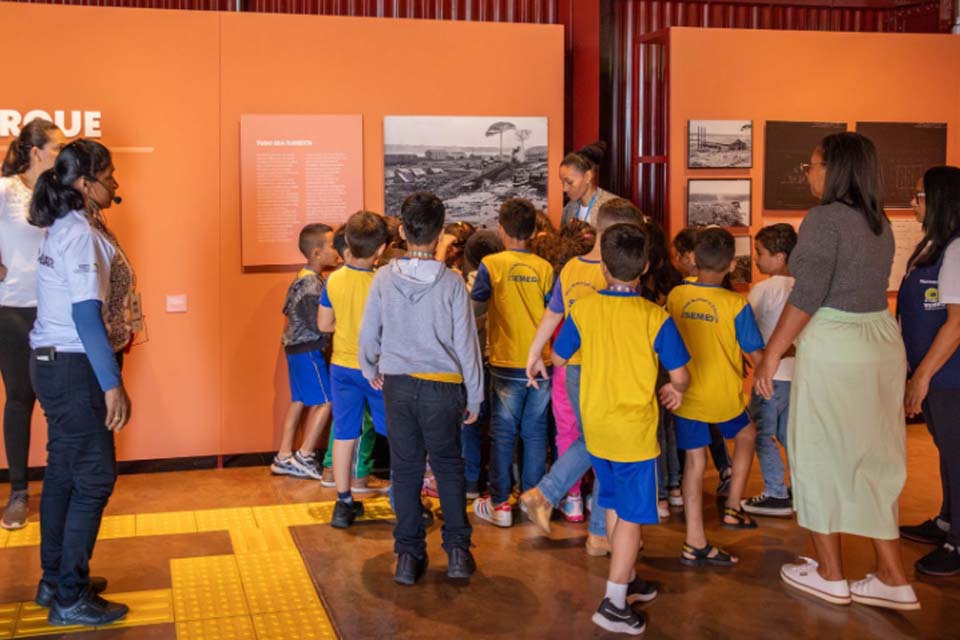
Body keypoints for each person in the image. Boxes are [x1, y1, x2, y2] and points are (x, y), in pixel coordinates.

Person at [755, 132, 919, 610]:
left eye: (812, 164)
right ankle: (892, 576)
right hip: (881, 342)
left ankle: (830, 572)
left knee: (817, 452)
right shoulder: (879, 221)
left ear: (834, 168)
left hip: (837, 344)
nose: (808, 173)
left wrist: (770, 354)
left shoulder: (825, 219)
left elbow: (807, 295)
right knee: (876, 458)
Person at [544, 223, 690, 635]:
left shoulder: (584, 308)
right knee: (631, 515)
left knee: (610, 502)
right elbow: (680, 374)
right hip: (634, 435)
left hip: (598, 427)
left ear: (603, 266)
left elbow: (558, 357)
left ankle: (625, 580)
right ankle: (612, 603)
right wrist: (675, 390)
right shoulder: (654, 317)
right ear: (645, 266)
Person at [27, 139, 131, 626]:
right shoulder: (79, 234)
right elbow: (86, 313)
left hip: (52, 361)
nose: (115, 184)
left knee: (66, 475)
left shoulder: (65, 227)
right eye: (108, 175)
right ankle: (71, 596)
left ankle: (56, 580)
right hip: (75, 365)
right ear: (86, 183)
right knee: (93, 478)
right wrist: (111, 382)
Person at [359, 191, 483, 585]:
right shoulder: (451, 283)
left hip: (396, 385)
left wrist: (369, 367)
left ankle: (409, 557)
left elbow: (368, 332)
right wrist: (475, 393)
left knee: (406, 469)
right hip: (443, 388)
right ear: (440, 232)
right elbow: (467, 345)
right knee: (448, 467)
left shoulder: (382, 278)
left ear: (400, 230)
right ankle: (458, 552)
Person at [521, 198, 643, 555]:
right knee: (604, 443)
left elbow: (552, 313)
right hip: (607, 368)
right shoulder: (618, 270)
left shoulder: (573, 267)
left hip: (574, 367)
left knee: (596, 441)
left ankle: (593, 528)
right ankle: (556, 500)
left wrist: (534, 352)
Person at [666, 227, 764, 568]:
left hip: (687, 395)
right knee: (747, 435)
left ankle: (695, 540)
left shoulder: (676, 295)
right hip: (723, 397)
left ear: (693, 259)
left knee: (694, 464)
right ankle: (734, 507)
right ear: (731, 265)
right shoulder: (737, 304)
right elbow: (756, 355)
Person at [471, 198, 553, 528]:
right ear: (534, 231)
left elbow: (475, 308)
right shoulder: (545, 268)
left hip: (505, 362)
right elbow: (553, 311)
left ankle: (501, 504)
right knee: (535, 435)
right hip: (541, 362)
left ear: (501, 229)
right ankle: (532, 500)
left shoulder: (491, 265)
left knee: (503, 435)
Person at [0, 119, 65, 530]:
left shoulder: (59, 193)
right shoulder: (5, 191)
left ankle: (61, 488)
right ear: (36, 151)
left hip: (54, 312)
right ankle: (19, 493)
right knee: (21, 399)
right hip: (13, 310)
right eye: (56, 147)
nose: (61, 153)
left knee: (59, 400)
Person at [897, 166, 960, 577]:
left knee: (958, 456)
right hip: (933, 374)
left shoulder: (957, 249)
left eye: (918, 195)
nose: (913, 202)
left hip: (950, 377)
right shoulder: (932, 246)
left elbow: (956, 324)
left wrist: (920, 378)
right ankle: (946, 521)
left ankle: (958, 544)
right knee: (946, 453)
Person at [318, 211, 390, 529]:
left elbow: (324, 324)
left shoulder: (333, 279)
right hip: (376, 370)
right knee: (396, 433)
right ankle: (406, 498)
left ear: (347, 244)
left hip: (341, 367)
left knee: (345, 433)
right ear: (382, 249)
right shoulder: (383, 283)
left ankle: (343, 502)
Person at [270, 224, 339, 480]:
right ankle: (305, 455)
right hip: (308, 350)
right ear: (317, 253)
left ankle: (283, 455)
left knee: (299, 400)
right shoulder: (312, 285)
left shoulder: (303, 277)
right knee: (326, 400)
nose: (338, 251)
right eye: (333, 245)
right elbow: (320, 324)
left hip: (295, 349)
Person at [741, 224, 797, 518]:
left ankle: (776, 492)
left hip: (769, 376)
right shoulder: (803, 286)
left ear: (779, 256)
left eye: (760, 253)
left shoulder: (763, 289)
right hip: (795, 376)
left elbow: (744, 325)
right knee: (790, 435)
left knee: (763, 433)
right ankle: (801, 489)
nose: (755, 260)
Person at [460, 230, 503, 497]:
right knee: (501, 427)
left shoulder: (465, 287)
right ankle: (502, 484)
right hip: (502, 359)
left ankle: (471, 481)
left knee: (470, 423)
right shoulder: (505, 279)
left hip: (474, 365)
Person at [559, 142, 620, 227]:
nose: (564, 189)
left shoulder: (613, 208)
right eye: (562, 182)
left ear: (588, 176)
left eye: (569, 182)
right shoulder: (569, 208)